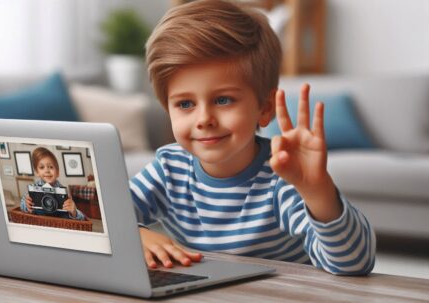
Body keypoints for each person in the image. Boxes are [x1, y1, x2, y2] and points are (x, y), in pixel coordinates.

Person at [130, 0, 375, 275]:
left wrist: (317, 191)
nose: (203, 119)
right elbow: (93, 219)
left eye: (223, 100)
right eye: (185, 104)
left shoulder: (281, 176)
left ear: (265, 108)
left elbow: (355, 264)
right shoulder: (168, 169)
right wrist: (135, 234)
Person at [21, 147, 86, 220]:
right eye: (42, 167)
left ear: (58, 172)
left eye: (51, 167)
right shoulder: (33, 189)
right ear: (37, 172)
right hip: (38, 222)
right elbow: (22, 205)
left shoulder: (64, 192)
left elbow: (82, 218)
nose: (47, 171)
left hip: (58, 224)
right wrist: (26, 205)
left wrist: (74, 212)